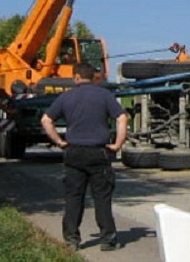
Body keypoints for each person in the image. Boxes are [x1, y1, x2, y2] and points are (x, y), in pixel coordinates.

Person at [41, 64, 128, 252]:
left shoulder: (66, 97)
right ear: (94, 78)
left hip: (74, 152)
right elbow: (122, 118)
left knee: (73, 197)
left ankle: (72, 239)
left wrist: (59, 141)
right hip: (99, 152)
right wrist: (117, 144)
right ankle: (107, 239)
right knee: (102, 198)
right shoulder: (105, 96)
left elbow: (46, 120)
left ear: (76, 78)